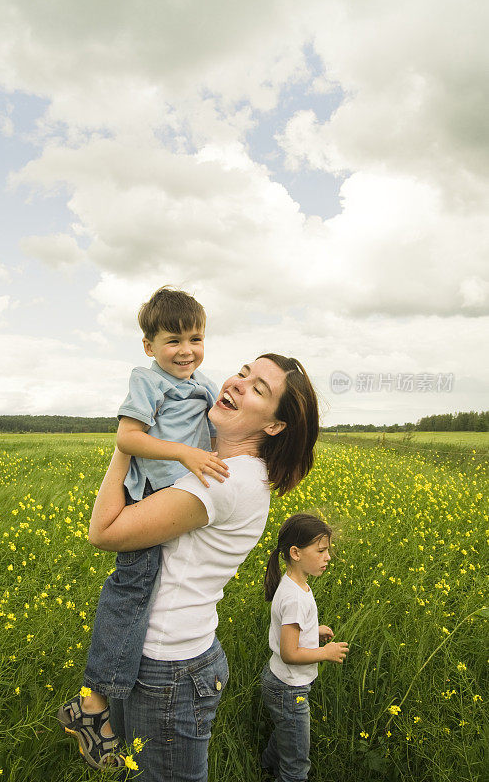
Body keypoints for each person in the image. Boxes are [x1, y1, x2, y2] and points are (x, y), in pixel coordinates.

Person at [81, 353, 320, 781]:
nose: (238, 383)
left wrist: (129, 439)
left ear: (274, 426)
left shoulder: (223, 478)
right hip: (157, 655)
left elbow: (103, 531)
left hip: (168, 667)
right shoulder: (217, 463)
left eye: (258, 388)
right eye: (243, 372)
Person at [57, 287, 229, 770]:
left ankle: (110, 703)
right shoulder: (146, 380)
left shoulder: (203, 381)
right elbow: (127, 436)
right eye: (172, 340)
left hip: (175, 497)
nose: (186, 350)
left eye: (195, 338)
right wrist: (185, 453)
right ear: (148, 346)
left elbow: (220, 429)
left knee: (153, 594)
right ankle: (91, 705)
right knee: (131, 590)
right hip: (148, 497)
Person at [260, 512, 350, 782]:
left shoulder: (294, 586)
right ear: (296, 553)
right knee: (297, 762)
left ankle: (266, 766)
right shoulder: (295, 598)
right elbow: (290, 653)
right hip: (290, 689)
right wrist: (325, 652)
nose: (328, 557)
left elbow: (290, 631)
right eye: (322, 550)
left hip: (280, 682)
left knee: (287, 733)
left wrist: (313, 631)